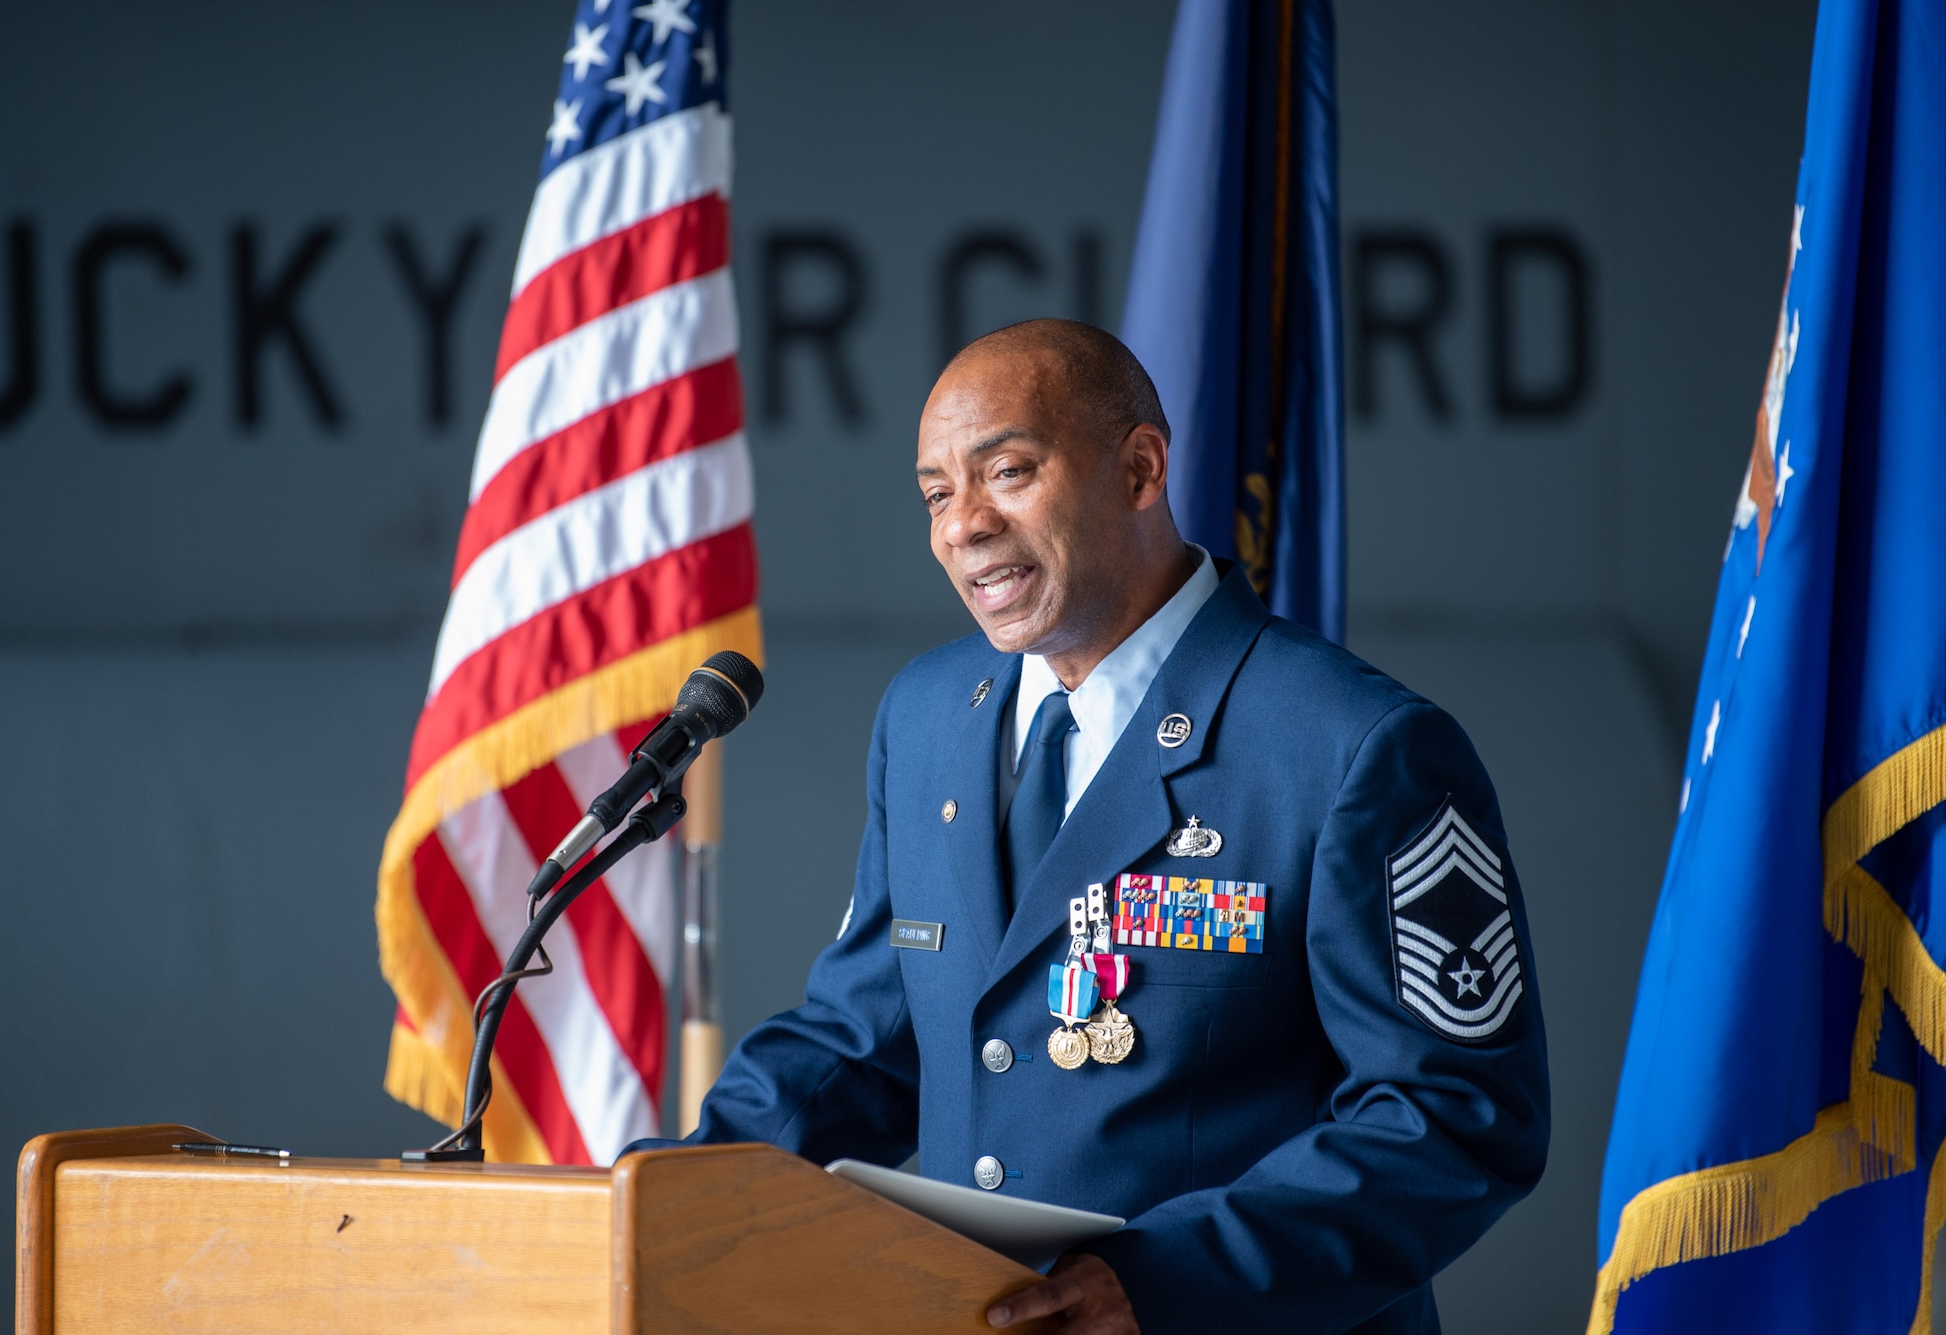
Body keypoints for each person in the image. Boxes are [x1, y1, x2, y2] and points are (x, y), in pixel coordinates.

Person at [635, 319, 1550, 1333]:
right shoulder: (928, 717)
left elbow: (1451, 1118)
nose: (961, 525)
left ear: (1141, 468)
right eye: (936, 494)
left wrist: (1164, 1280)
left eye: (1008, 472)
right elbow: (865, 1039)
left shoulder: (1352, 745)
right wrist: (656, 1197)